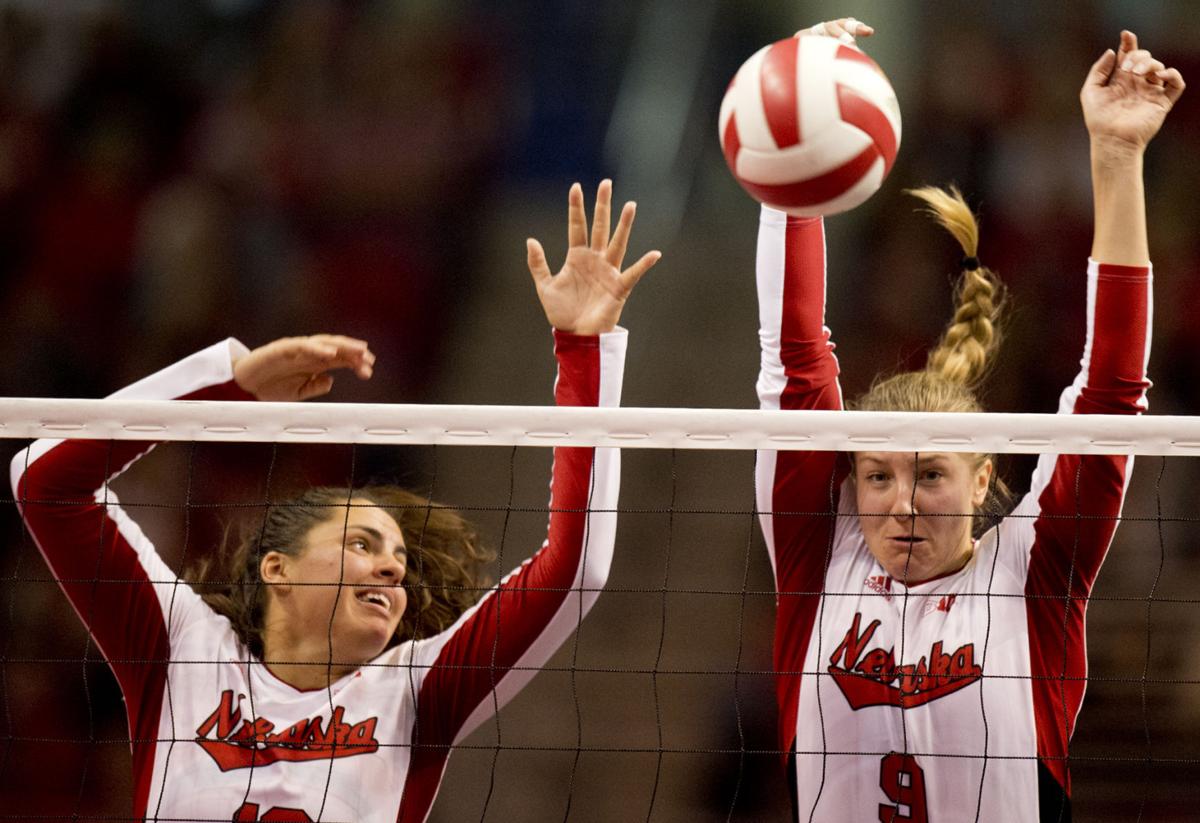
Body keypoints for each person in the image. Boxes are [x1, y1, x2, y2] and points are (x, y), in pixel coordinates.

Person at [10, 181, 660, 823]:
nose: (392, 569)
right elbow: (43, 481)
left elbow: (576, 570)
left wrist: (585, 350)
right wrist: (225, 386)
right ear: (278, 568)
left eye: (398, 559)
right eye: (362, 543)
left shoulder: (414, 691)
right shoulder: (184, 647)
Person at [754, 19, 1183, 822]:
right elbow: (795, 364)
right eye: (877, 475)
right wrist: (792, 162)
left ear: (985, 478)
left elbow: (1112, 391)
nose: (901, 501)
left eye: (931, 475)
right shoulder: (820, 555)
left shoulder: (1034, 573)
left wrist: (1118, 157)